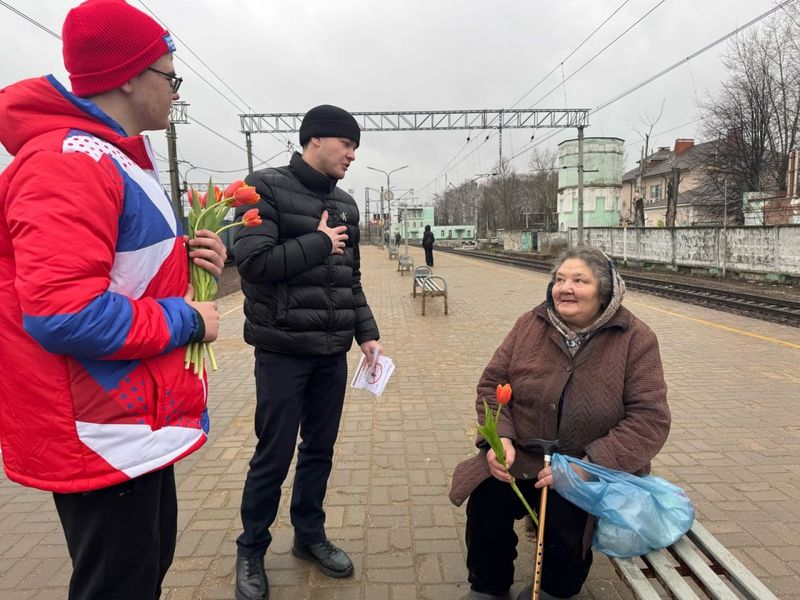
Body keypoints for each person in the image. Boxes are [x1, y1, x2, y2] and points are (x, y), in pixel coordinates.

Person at [0, 1, 226, 598]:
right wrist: (188, 318)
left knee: (143, 572)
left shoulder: (112, 158)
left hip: (128, 418)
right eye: (170, 77)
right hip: (98, 426)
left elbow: (123, 275)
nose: (176, 93)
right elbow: (63, 312)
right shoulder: (67, 164)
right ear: (128, 75)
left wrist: (194, 261)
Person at [449, 246, 670, 600]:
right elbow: (493, 384)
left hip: (589, 466)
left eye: (579, 280)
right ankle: (488, 586)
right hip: (522, 452)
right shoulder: (529, 325)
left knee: (569, 519)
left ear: (604, 291)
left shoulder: (636, 338)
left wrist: (588, 466)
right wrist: (499, 440)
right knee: (488, 497)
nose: (565, 288)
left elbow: (650, 419)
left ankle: (555, 588)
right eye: (560, 279)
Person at [233, 104, 383, 600]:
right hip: (282, 349)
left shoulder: (345, 203)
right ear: (317, 139)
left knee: (319, 450)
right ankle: (252, 547)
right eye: (348, 144)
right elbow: (252, 263)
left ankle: (309, 536)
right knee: (272, 456)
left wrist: (367, 332)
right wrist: (318, 243)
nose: (353, 155)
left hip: (331, 351)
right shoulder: (264, 187)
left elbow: (350, 279)